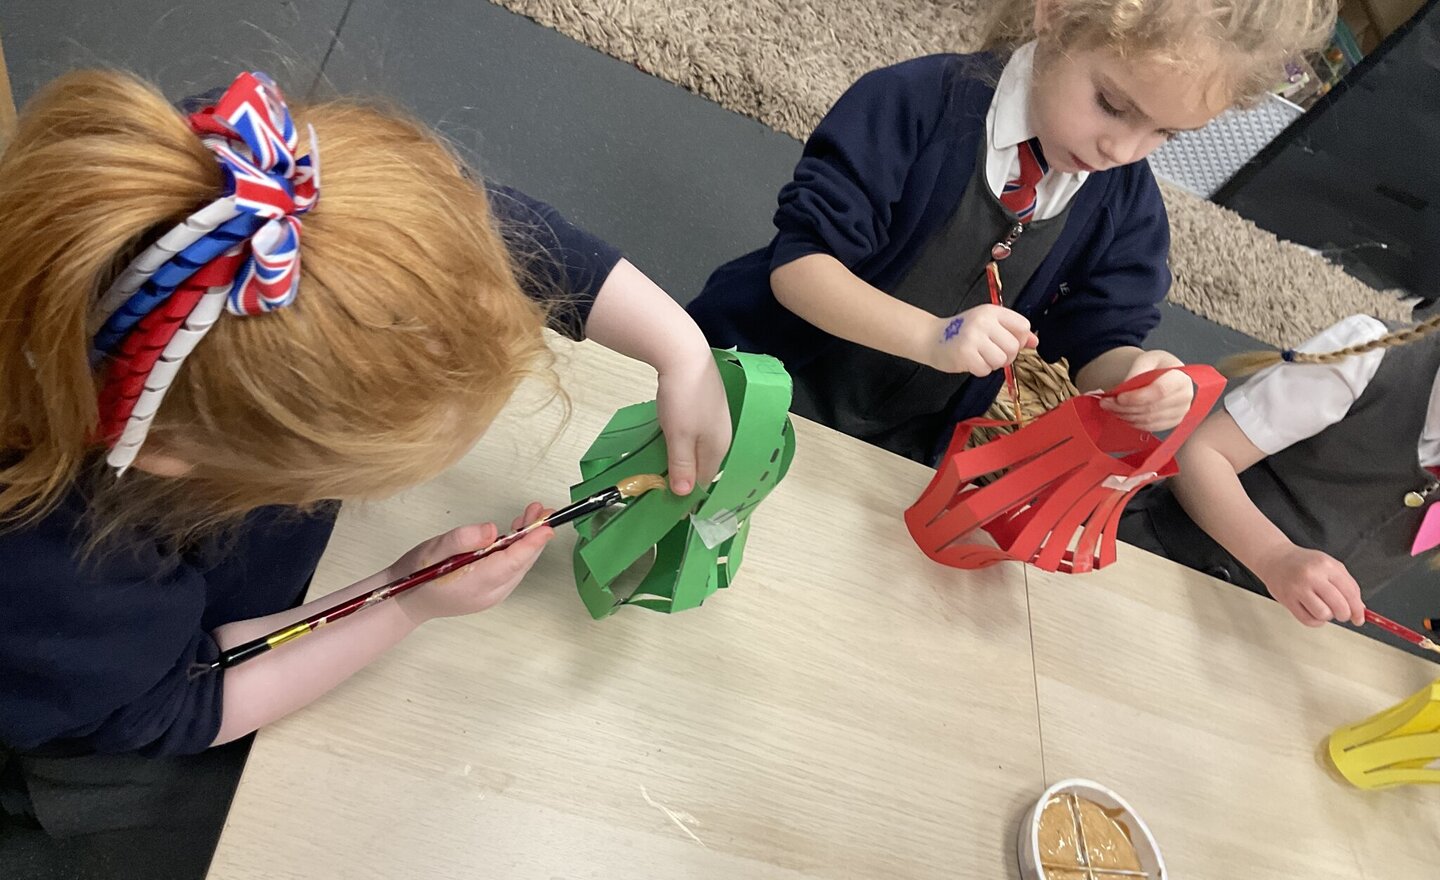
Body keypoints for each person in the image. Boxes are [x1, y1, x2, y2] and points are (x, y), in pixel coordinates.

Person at [0, 68, 731, 846]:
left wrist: (680, 348)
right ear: (172, 457)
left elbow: (461, 240)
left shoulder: (215, 194)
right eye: (340, 485)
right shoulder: (55, 583)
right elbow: (175, 702)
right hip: (93, 704)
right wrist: (399, 598)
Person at [687, 0, 1335, 463]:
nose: (1122, 146)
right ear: (1055, 13)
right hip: (748, 373)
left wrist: (1139, 378)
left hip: (903, 442)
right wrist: (931, 335)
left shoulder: (1124, 206)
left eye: (1164, 133)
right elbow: (801, 270)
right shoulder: (912, 105)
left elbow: (1096, 341)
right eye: (1112, 104)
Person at [1121, 314, 1440, 629]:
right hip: (1166, 560)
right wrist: (1274, 556)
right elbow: (1199, 457)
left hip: (1266, 634)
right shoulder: (1371, 357)